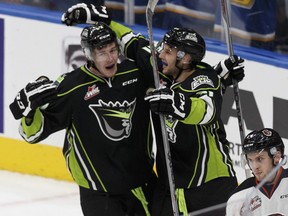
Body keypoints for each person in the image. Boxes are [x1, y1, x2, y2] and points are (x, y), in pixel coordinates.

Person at [61, 3, 244, 215]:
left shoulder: (203, 78)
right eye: (161, 48)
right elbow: (133, 42)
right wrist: (104, 22)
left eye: (167, 51)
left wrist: (175, 103)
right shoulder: (159, 73)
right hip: (171, 186)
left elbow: (206, 110)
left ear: (185, 58)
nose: (160, 54)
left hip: (211, 185)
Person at [9, 22, 159, 216]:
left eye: (113, 50)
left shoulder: (135, 73)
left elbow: (163, 68)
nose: (110, 57)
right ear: (89, 54)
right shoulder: (71, 87)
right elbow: (32, 135)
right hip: (99, 194)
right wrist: (30, 112)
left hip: (143, 182)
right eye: (102, 52)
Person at [226, 128, 288, 215]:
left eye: (260, 159)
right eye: (250, 160)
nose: (255, 166)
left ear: (276, 157)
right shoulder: (238, 197)